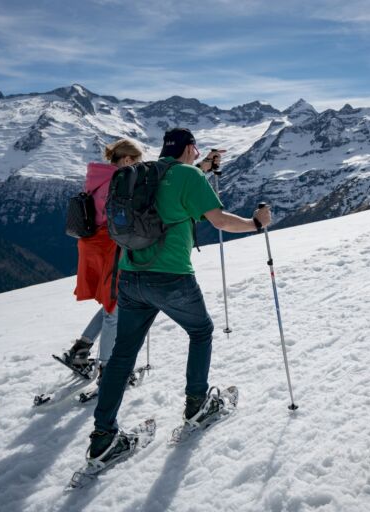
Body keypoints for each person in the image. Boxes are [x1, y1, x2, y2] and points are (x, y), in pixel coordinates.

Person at [88, 128, 272, 461]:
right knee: (201, 331)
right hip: (171, 277)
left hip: (130, 277)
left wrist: (202, 166)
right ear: (190, 149)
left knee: (123, 353)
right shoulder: (187, 176)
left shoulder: (142, 174)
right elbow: (220, 221)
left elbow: (174, 183)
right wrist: (255, 224)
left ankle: (103, 439)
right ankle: (197, 405)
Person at [68, 139, 143, 381]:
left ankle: (80, 350)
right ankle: (108, 370)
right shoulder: (116, 181)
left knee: (112, 302)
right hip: (108, 247)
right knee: (114, 308)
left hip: (93, 246)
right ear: (128, 160)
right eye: (137, 163)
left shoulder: (98, 176)